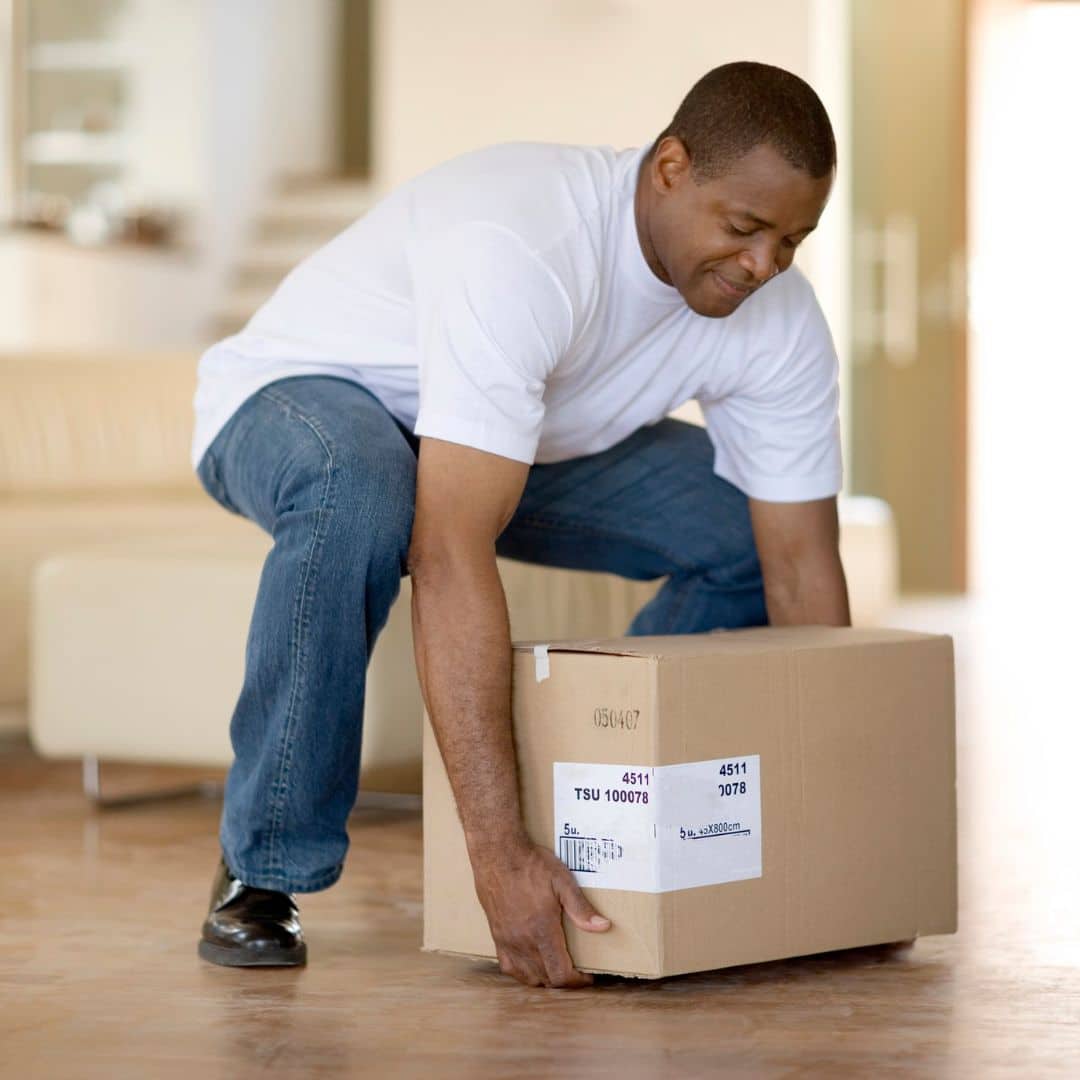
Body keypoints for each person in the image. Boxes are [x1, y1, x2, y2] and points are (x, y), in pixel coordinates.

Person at [191, 60, 851, 988]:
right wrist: (496, 856)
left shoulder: (777, 317)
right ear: (669, 168)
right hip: (297, 400)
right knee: (365, 493)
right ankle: (263, 871)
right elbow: (449, 548)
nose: (764, 266)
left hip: (514, 441)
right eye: (744, 229)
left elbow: (800, 568)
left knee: (737, 536)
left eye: (794, 239)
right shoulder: (526, 240)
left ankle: (612, 820)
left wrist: (840, 846)